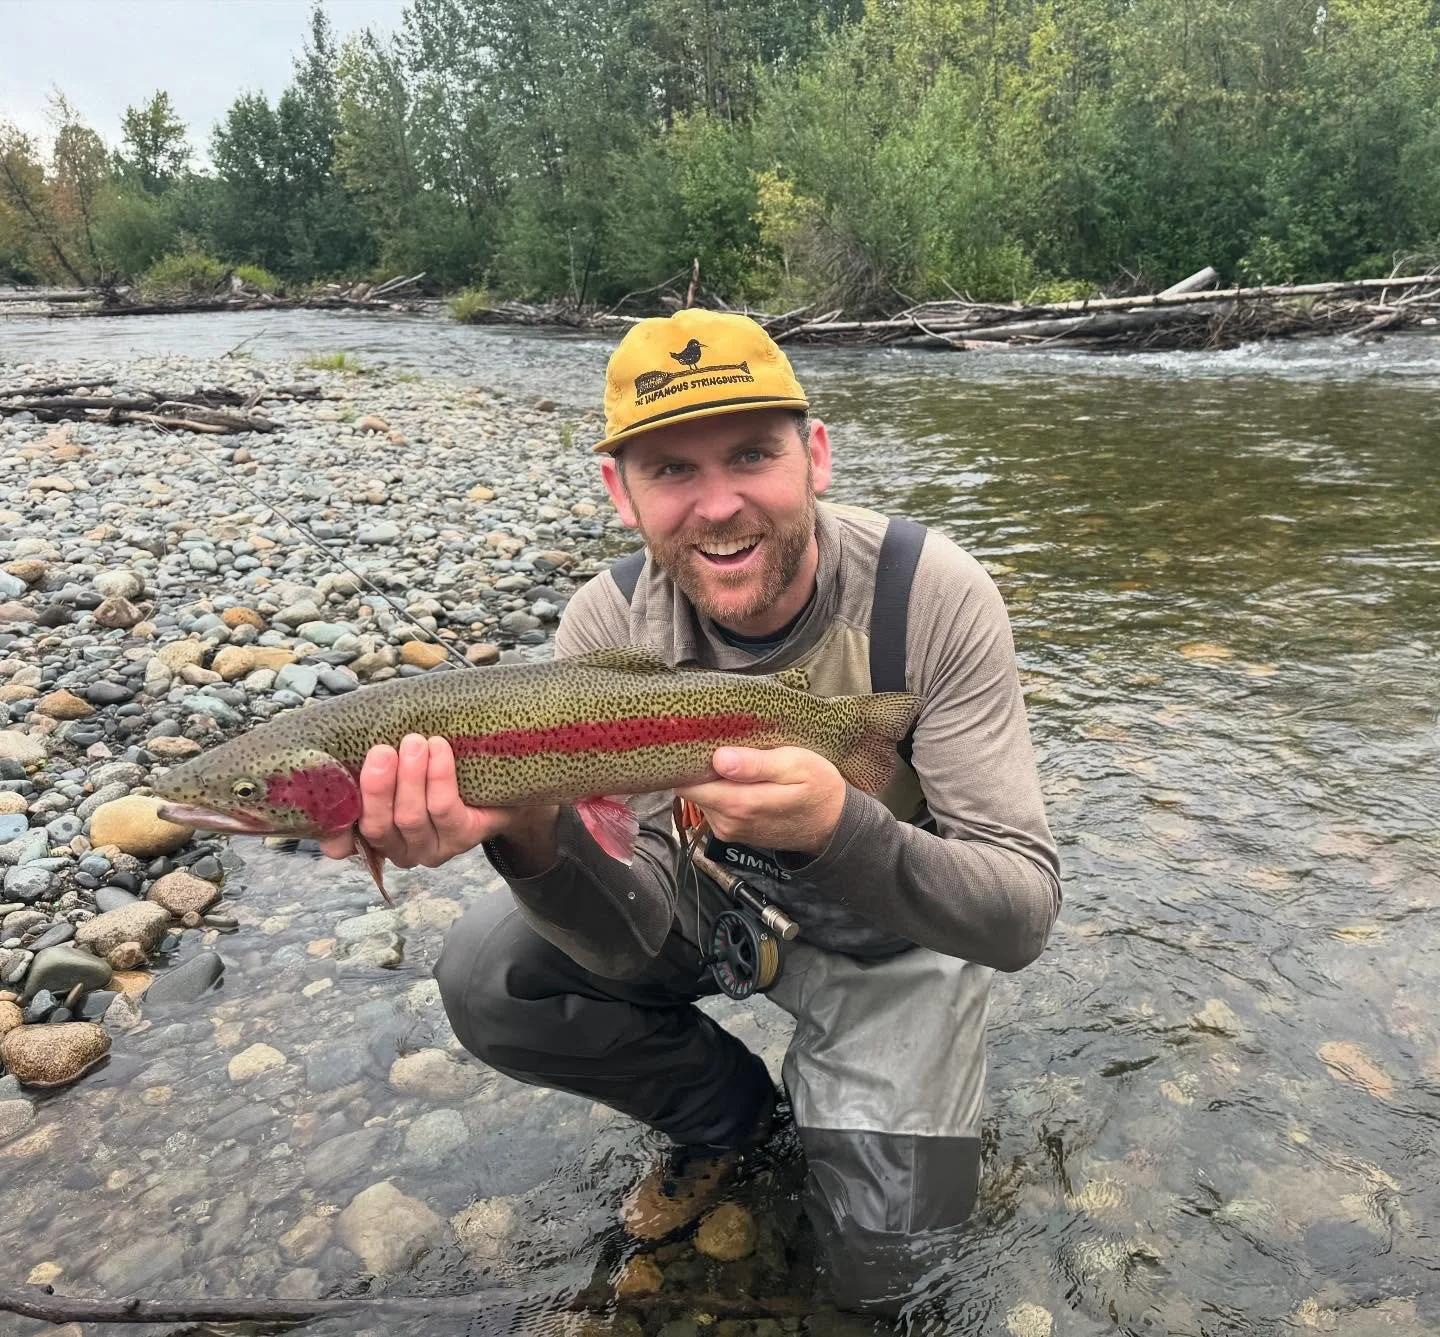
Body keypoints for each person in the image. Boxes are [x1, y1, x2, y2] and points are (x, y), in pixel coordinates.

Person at [318, 310, 1061, 1313]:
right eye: (672, 469)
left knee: (889, 1280)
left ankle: (847, 1124)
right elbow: (625, 939)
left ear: (816, 455)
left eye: (751, 454)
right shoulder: (607, 620)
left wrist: (839, 827)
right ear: (620, 491)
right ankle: (734, 1118)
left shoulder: (931, 597)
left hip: (894, 938)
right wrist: (529, 836)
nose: (718, 504)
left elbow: (1019, 918)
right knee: (495, 971)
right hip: (707, 902)